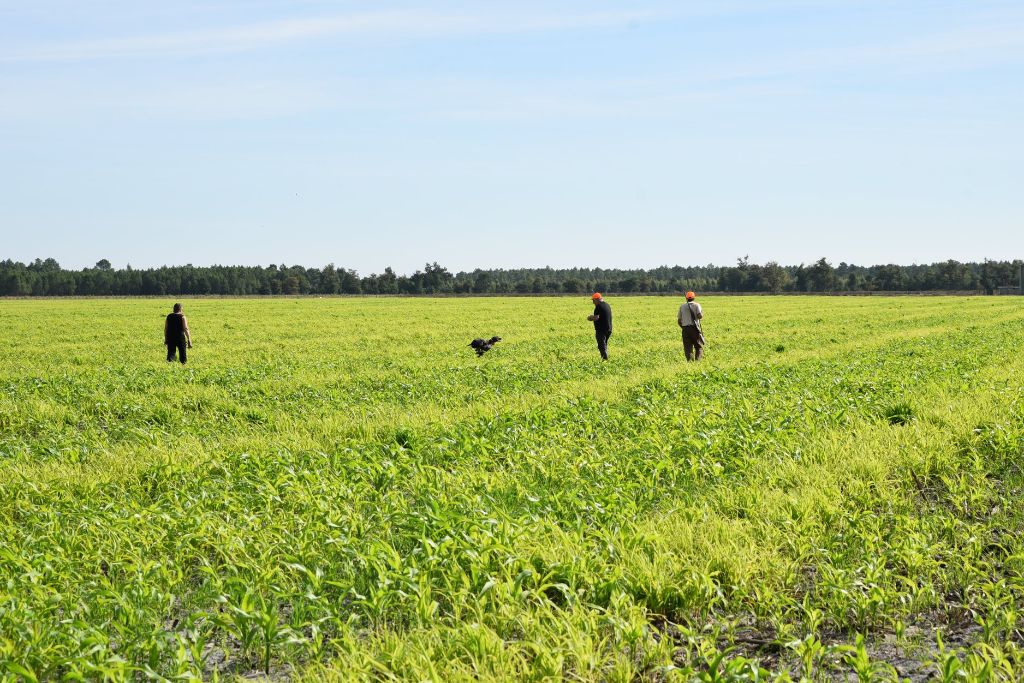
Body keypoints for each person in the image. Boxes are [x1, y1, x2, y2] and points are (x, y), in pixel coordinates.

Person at [677, 291, 704, 361]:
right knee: (698, 346)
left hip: (685, 329)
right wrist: (701, 314)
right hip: (695, 328)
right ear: (694, 297)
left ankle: (690, 362)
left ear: (686, 298)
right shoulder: (697, 305)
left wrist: (684, 328)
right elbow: (699, 316)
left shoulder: (682, 306)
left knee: (688, 348)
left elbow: (679, 321)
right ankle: (698, 362)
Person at [587, 292, 612, 360]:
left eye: (593, 300)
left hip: (601, 330)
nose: (593, 302)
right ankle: (605, 359)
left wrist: (590, 318)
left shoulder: (598, 306)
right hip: (608, 329)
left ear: (597, 299)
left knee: (601, 346)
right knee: (604, 345)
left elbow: (596, 317)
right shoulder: (607, 305)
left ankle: (605, 360)